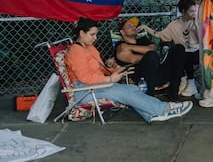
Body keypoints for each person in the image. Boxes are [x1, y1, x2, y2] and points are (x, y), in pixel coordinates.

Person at [64, 17, 193, 124]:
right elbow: (85, 77)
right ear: (81, 33)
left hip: (96, 85)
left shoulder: (89, 48)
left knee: (131, 89)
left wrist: (114, 70)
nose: (95, 38)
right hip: (83, 90)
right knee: (122, 92)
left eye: (96, 34)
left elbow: (98, 69)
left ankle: (151, 115)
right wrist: (109, 79)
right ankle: (164, 109)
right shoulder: (75, 51)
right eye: (92, 34)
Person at [139, 0, 200, 97]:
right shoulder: (174, 25)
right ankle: (186, 82)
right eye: (191, 11)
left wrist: (196, 25)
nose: (194, 13)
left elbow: (202, 39)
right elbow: (160, 35)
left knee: (189, 53)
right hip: (183, 55)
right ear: (184, 11)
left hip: (197, 52)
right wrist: (146, 28)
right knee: (181, 51)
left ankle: (190, 82)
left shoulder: (197, 21)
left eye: (195, 11)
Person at [114, 17, 184, 102]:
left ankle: (173, 94)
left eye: (134, 26)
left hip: (159, 72)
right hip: (142, 78)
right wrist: (149, 55)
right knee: (151, 56)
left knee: (179, 48)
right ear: (122, 32)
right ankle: (150, 97)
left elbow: (153, 48)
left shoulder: (142, 40)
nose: (133, 27)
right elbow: (133, 59)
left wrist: (129, 47)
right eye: (129, 26)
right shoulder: (120, 46)